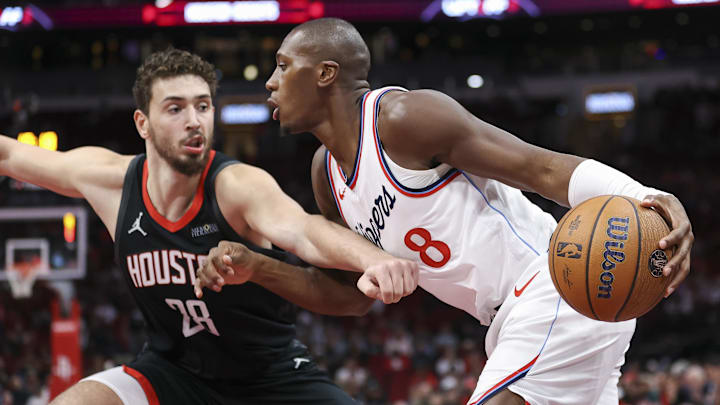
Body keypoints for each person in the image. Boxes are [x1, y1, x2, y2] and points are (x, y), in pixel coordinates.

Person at [199, 18, 694, 405]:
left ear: (326, 73)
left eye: (283, 66)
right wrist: (258, 267)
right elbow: (350, 297)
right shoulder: (326, 176)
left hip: (556, 283)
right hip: (509, 321)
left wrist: (645, 198)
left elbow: (540, 168)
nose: (269, 82)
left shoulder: (404, 119)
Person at [0, 48, 420, 404]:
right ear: (142, 123)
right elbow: (11, 157)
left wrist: (374, 259)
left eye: (203, 106)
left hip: (268, 377)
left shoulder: (236, 184)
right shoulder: (108, 180)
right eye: (175, 108)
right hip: (171, 373)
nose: (194, 120)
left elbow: (304, 230)